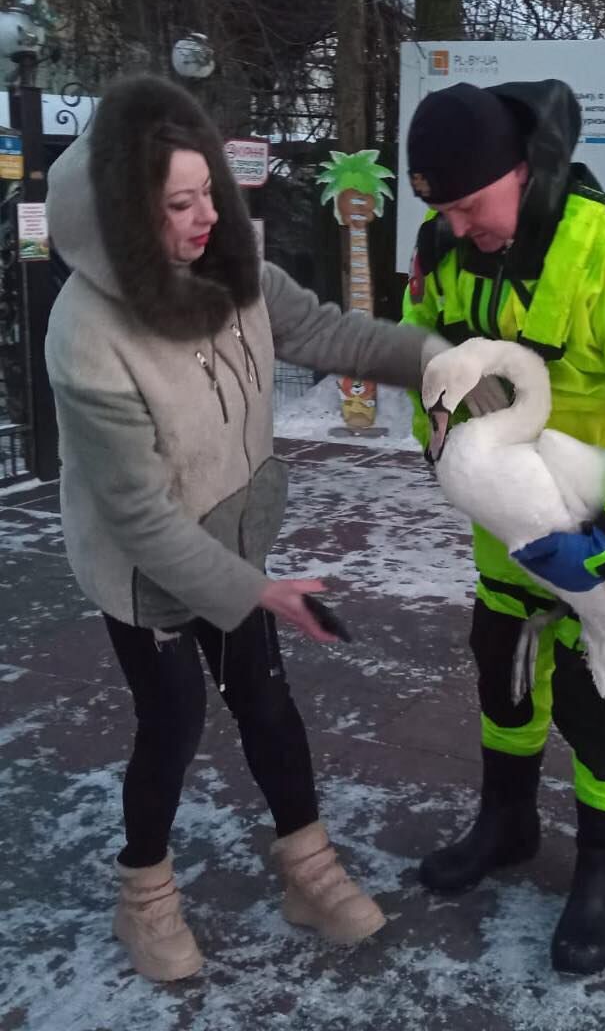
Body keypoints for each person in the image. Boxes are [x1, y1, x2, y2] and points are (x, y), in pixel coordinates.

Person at [43, 74, 440, 983]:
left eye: (207, 194)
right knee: (175, 718)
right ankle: (144, 895)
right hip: (147, 572)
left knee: (264, 697)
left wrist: (441, 362)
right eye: (179, 204)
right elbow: (138, 514)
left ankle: (307, 868)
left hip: (231, 538)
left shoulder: (235, 273)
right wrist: (255, 592)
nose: (204, 218)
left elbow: (332, 334)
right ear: (123, 212)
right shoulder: (85, 334)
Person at [400, 80, 605, 975]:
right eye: (443, 210)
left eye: (470, 204)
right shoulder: (445, 246)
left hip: (604, 536)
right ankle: (505, 823)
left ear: (525, 170)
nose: (458, 228)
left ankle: (600, 870)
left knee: (597, 699)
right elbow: (422, 351)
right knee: (502, 671)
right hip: (505, 530)